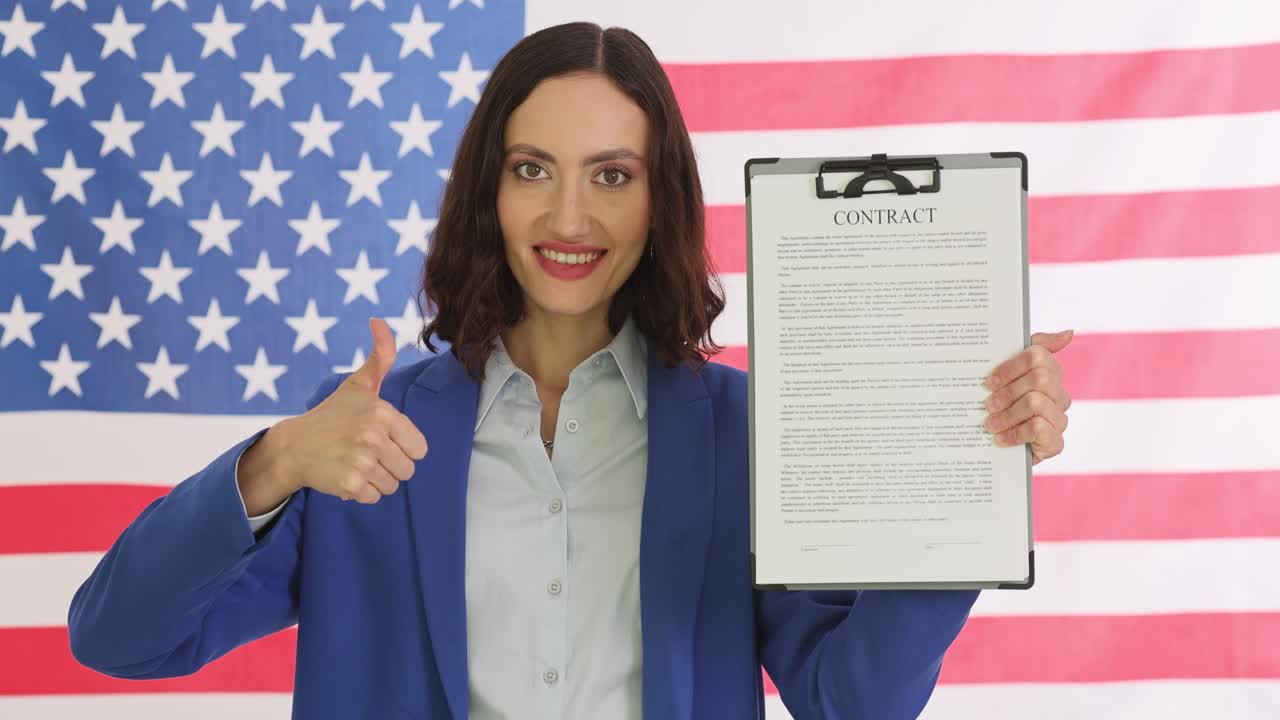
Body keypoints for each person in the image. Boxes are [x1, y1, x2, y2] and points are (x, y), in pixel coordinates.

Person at [67, 22, 1073, 720]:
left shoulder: (741, 433)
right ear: (489, 192)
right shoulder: (362, 435)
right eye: (531, 169)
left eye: (611, 176)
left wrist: (970, 477)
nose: (567, 220)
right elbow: (118, 637)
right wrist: (275, 460)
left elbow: (851, 700)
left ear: (657, 198)